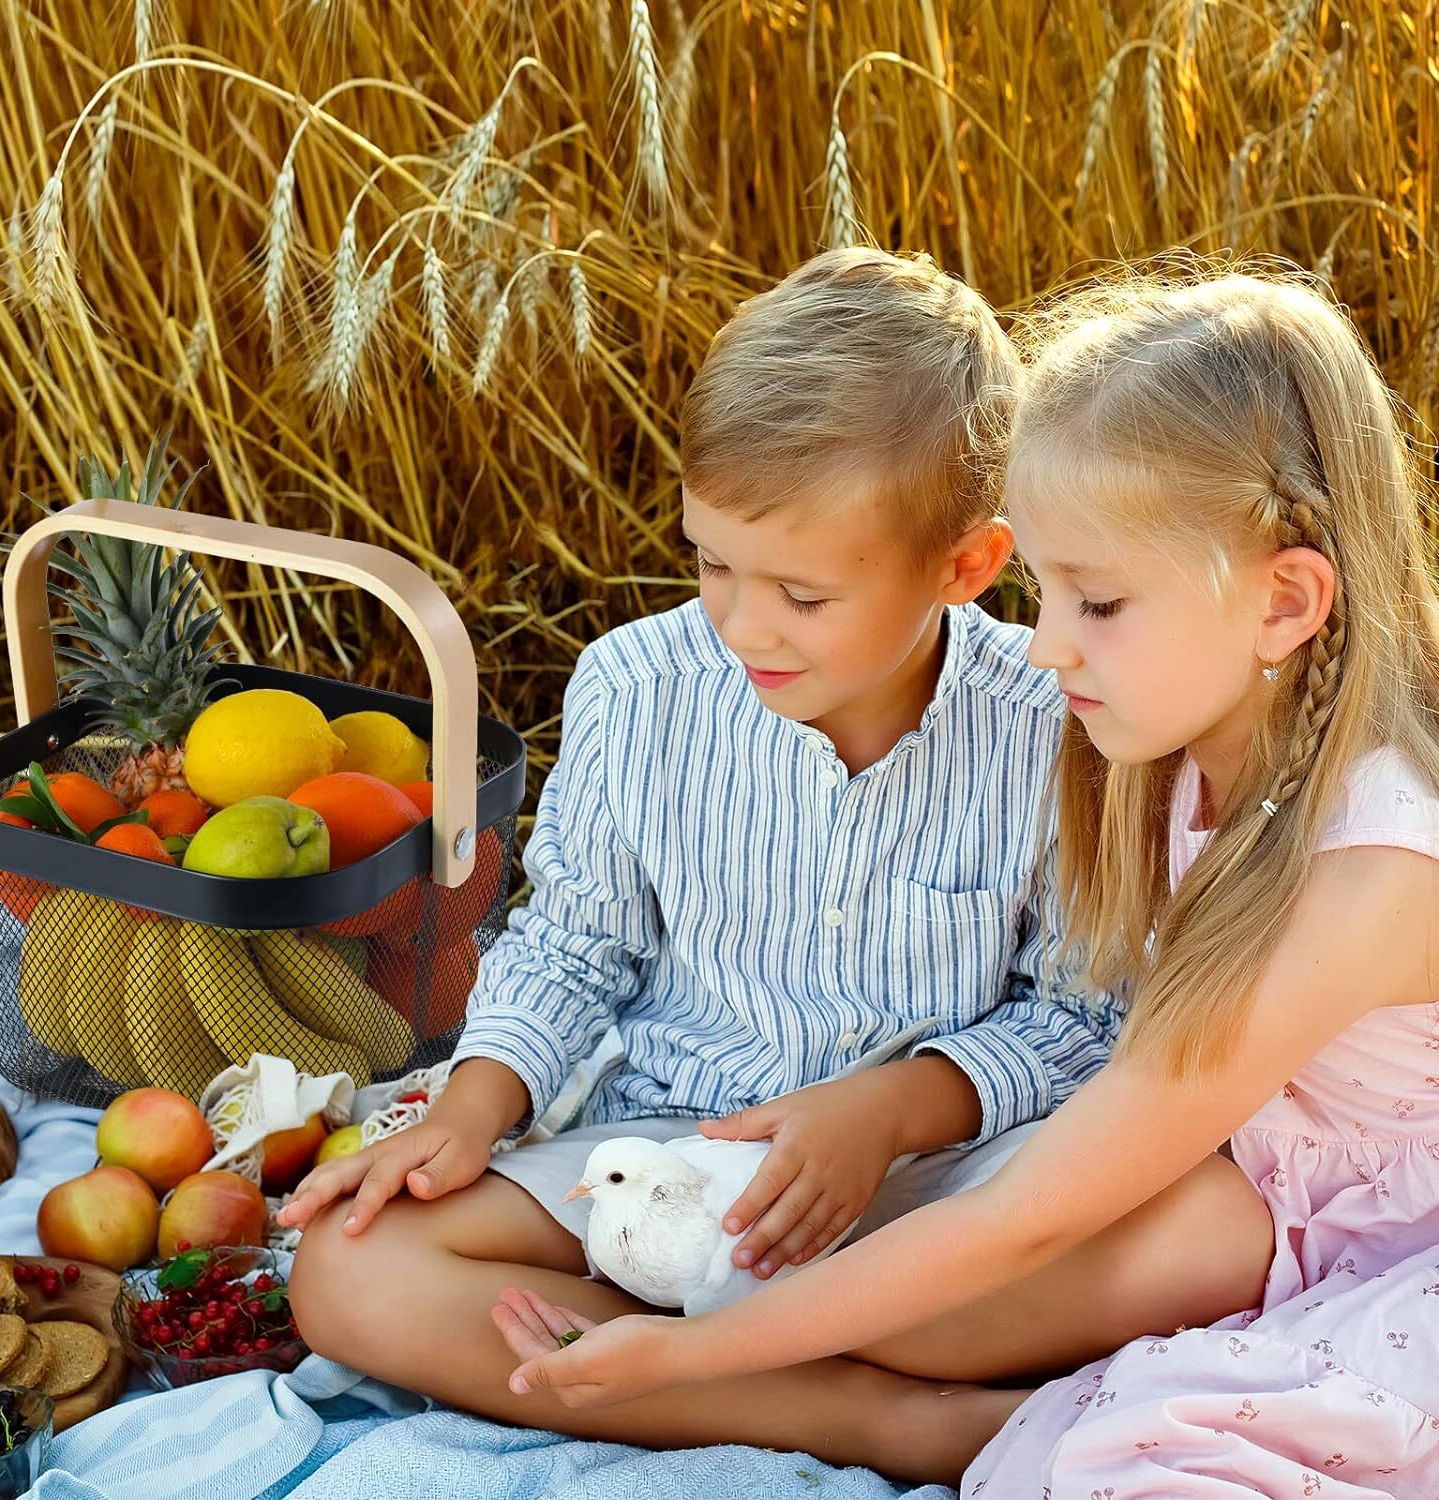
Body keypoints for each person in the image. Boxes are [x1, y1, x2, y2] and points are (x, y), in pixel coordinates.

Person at [282, 250, 1268, 1479]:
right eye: (712, 565)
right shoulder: (638, 687)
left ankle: (756, 1354)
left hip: (938, 1182)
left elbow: (1087, 1009)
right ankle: (877, 1417)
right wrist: (477, 1102)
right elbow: (570, 940)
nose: (744, 625)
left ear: (965, 566)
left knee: (1222, 1231)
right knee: (349, 1271)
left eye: (802, 593)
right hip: (661, 1161)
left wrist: (895, 1109)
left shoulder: (1060, 718)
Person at [498, 266, 1439, 1494]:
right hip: (1205, 1153)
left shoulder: (1372, 871)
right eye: (1046, 591)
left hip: (1338, 1199)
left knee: (914, 1305)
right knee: (872, 1276)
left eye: (1097, 602)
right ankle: (870, 1383)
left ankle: (907, 1413)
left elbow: (1025, 1213)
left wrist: (694, 1361)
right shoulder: (1165, 740)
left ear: (1286, 604)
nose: (1045, 646)